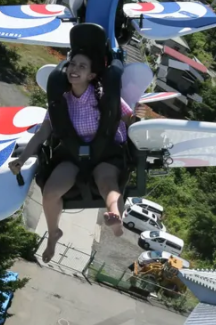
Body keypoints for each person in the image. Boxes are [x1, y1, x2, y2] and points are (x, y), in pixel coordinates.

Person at [8, 52, 144, 263]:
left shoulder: (105, 96)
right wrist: (23, 158)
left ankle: (114, 215)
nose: (75, 69)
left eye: (82, 66)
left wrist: (138, 118)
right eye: (72, 64)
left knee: (107, 182)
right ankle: (53, 233)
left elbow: (128, 119)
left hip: (105, 152)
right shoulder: (59, 101)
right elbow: (42, 134)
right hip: (73, 154)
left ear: (91, 75)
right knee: (50, 192)